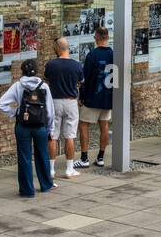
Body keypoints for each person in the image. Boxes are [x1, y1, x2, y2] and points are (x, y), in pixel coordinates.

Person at [0, 58, 54, 196]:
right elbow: (50, 111)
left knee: (24, 157)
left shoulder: (18, 86)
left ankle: (27, 190)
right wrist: (50, 129)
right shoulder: (44, 86)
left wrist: (14, 112)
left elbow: (1, 103)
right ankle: (46, 185)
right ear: (37, 71)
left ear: (22, 71)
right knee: (42, 155)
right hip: (40, 126)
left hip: (23, 125)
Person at [44, 38, 84, 177]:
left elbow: (47, 80)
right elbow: (80, 82)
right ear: (68, 48)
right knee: (70, 136)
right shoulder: (77, 65)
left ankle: (51, 170)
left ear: (58, 48)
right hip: (71, 102)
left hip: (54, 102)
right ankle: (69, 169)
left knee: (53, 136)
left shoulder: (50, 65)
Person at [78, 26, 114, 168]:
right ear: (108, 37)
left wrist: (82, 96)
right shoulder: (114, 54)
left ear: (97, 38)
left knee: (83, 125)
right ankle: (100, 157)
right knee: (104, 125)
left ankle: (84, 158)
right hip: (108, 97)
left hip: (93, 97)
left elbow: (84, 78)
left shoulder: (92, 55)